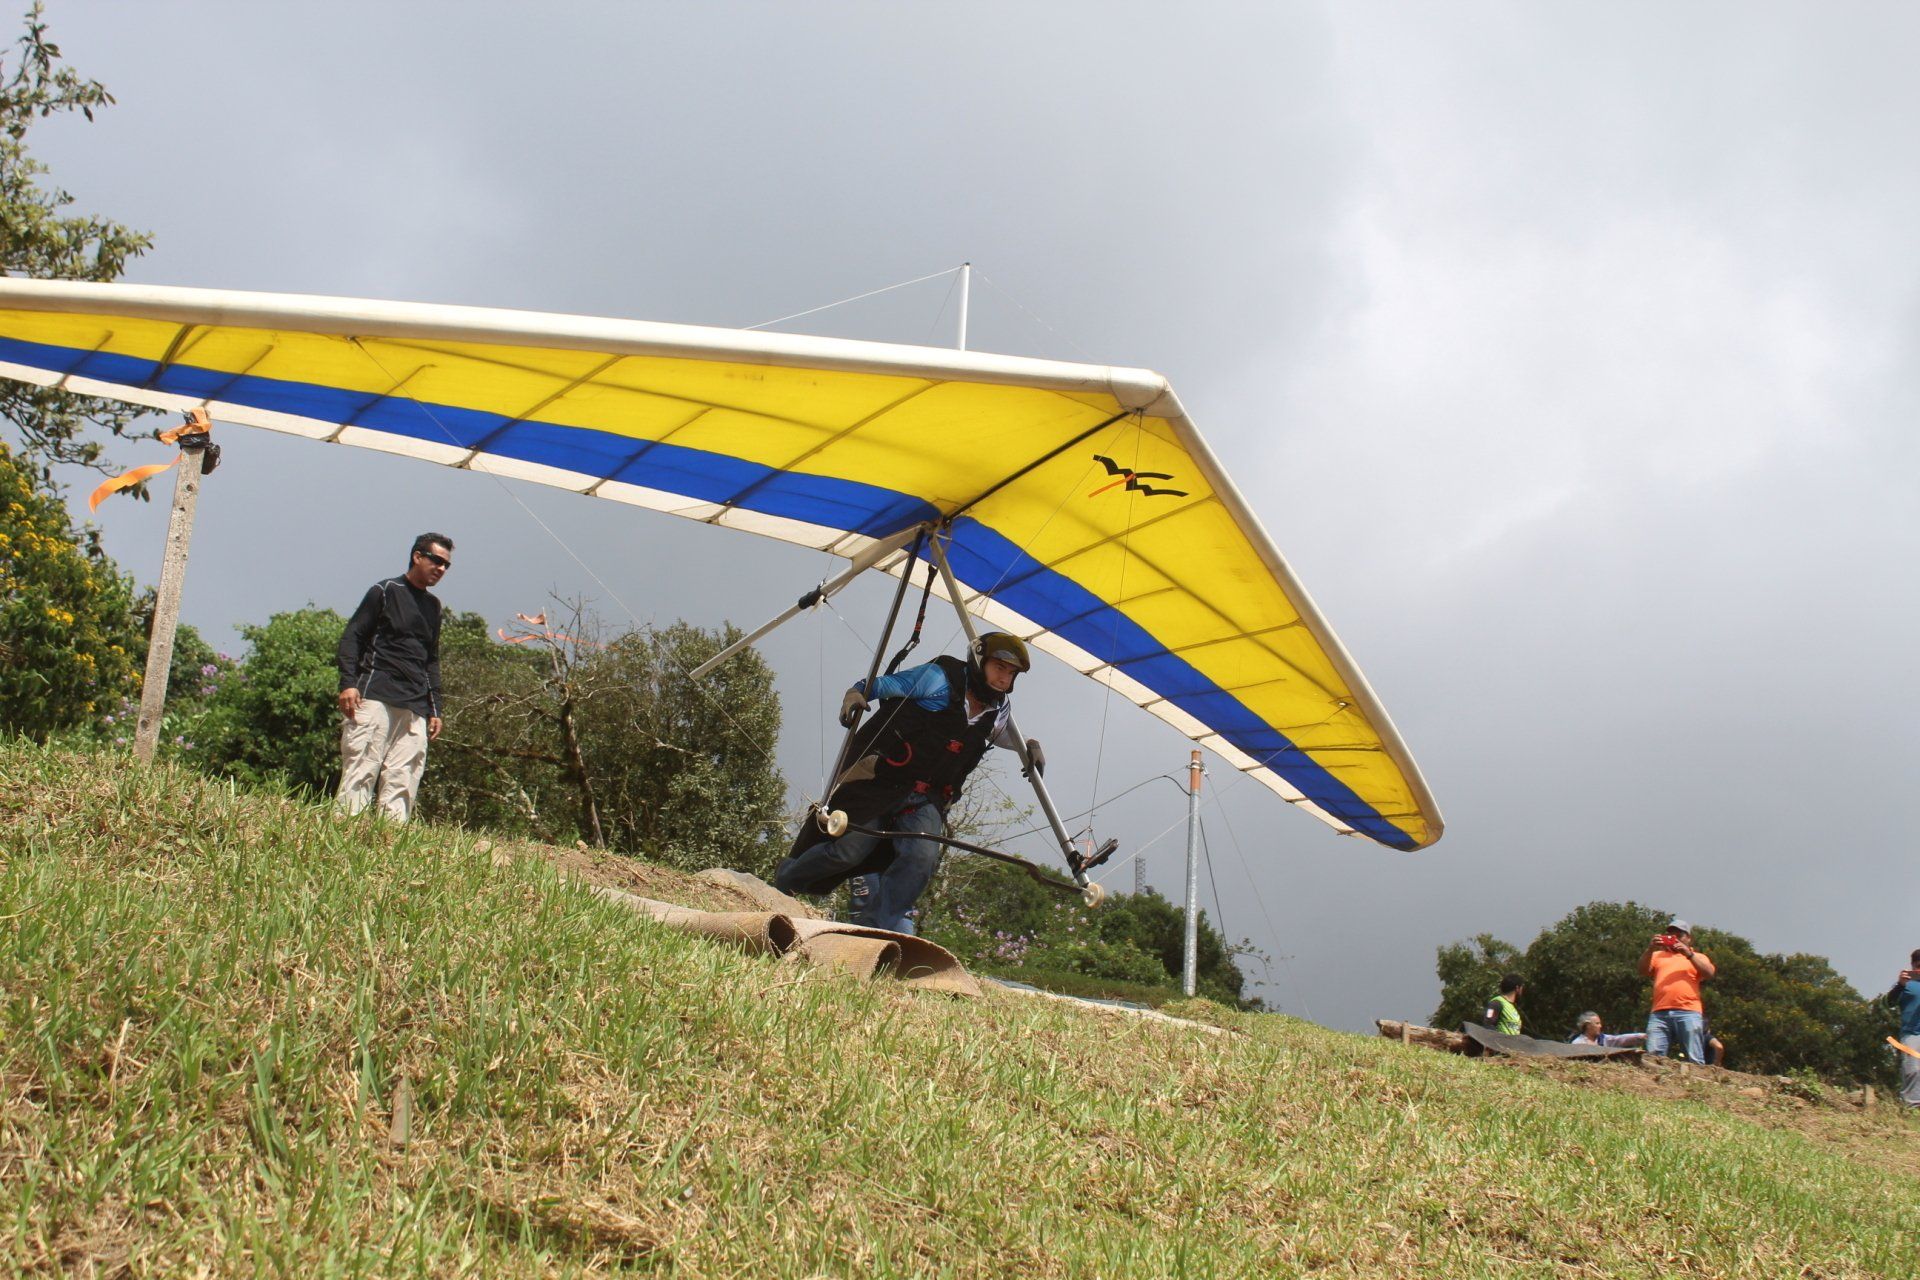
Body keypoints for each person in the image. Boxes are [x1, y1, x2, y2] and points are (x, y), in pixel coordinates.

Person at [773, 631, 1043, 934]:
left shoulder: (998, 710)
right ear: (980, 661)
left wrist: (1028, 747)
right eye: (999, 667)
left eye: (1011, 673)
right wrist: (857, 692)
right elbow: (887, 685)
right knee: (848, 851)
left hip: (924, 798)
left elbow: (1003, 735)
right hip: (881, 783)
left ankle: (878, 928)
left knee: (922, 857)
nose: (1004, 678)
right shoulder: (938, 679)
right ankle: (786, 881)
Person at [334, 532, 451, 822]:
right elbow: (352, 636)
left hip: (414, 706)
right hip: (375, 695)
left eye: (447, 565)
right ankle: (344, 835)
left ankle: (390, 845)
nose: (441, 568)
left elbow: (430, 659)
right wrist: (348, 683)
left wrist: (435, 708)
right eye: (436, 560)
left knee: (404, 780)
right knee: (362, 768)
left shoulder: (434, 607)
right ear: (417, 556)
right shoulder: (385, 591)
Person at [1639, 918, 1716, 1062]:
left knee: (1694, 1055)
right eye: (1671, 936)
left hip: (1688, 1011)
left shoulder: (1698, 957)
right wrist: (1650, 948)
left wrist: (1689, 954)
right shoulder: (1657, 956)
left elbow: (1709, 973)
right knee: (1654, 1055)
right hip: (1660, 1012)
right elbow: (1643, 970)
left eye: (1679, 936)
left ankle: (1696, 1081)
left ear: (1688, 938)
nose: (1675, 939)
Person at [1886, 949, 1920, 1108]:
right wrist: (1900, 985)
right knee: (1913, 1069)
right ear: (1913, 965)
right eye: (1919, 966)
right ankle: (1912, 1108)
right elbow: (1886, 1003)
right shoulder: (1906, 984)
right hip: (1911, 1034)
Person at [1569, 1011, 1646, 1048]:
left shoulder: (1603, 1039)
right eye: (1597, 1023)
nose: (1600, 1026)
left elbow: (1620, 1039)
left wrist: (1640, 1036)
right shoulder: (1577, 1043)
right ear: (1588, 1025)